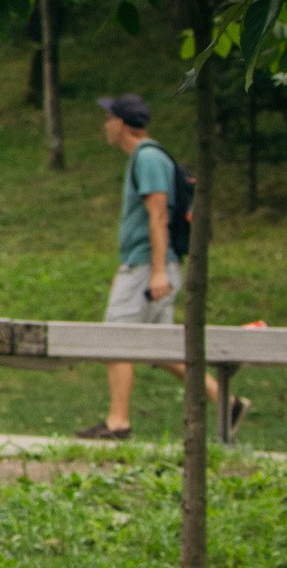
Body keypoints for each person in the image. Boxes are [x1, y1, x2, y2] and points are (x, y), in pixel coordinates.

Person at [78, 92, 237, 442]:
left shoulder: (147, 158)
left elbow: (158, 214)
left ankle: (118, 423)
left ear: (121, 124)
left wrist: (158, 271)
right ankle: (228, 402)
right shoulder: (149, 156)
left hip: (146, 268)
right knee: (161, 349)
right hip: (150, 266)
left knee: (115, 339)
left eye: (109, 119)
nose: (105, 126)